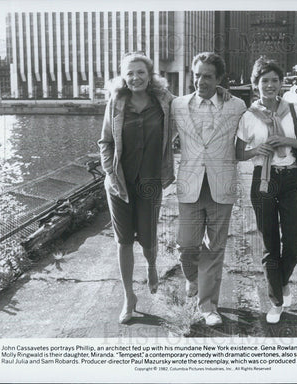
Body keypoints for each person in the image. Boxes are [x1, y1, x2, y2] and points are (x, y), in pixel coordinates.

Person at [235, 57, 297, 324]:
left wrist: (285, 139)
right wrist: (255, 150)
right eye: (264, 81)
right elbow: (238, 153)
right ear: (255, 85)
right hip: (263, 181)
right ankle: (276, 301)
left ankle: (281, 282)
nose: (270, 85)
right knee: (270, 244)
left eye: (274, 80)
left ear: (281, 83)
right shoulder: (248, 116)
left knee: (294, 243)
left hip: (291, 179)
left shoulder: (293, 110)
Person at [170, 52, 246, 326]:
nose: (201, 81)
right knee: (187, 247)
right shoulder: (177, 105)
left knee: (214, 249)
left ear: (220, 79)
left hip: (221, 185)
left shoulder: (237, 106)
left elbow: (254, 126)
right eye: (197, 75)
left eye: (208, 76)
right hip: (190, 184)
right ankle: (193, 278)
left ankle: (209, 306)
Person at [98, 52, 175, 324]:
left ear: (150, 74)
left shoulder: (165, 102)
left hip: (151, 183)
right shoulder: (116, 102)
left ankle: (152, 265)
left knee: (149, 238)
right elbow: (105, 142)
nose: (135, 78)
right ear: (123, 76)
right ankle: (129, 296)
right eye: (129, 73)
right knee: (124, 241)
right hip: (120, 185)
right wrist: (111, 172)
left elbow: (194, 108)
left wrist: (221, 92)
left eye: (140, 72)